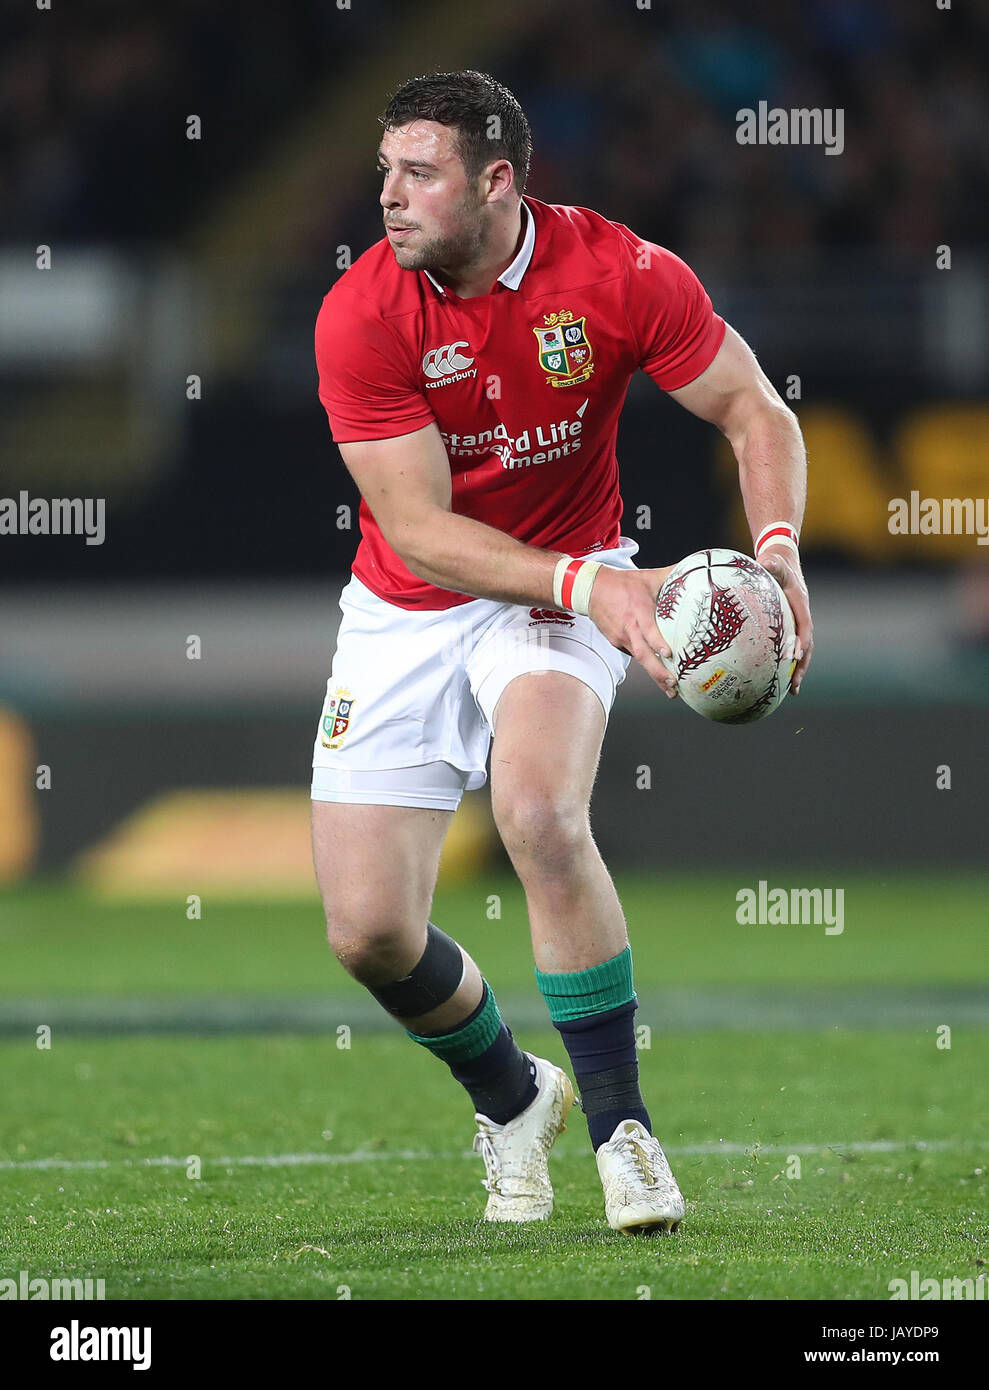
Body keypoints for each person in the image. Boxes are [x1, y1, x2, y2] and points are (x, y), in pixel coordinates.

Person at [310, 69, 813, 1233]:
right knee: (366, 930)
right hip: (415, 599)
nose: (386, 195)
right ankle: (509, 1092)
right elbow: (424, 532)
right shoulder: (363, 313)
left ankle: (622, 1133)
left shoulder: (620, 274)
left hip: (559, 589)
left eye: (416, 172)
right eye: (383, 169)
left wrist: (777, 551)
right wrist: (598, 582)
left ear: (495, 181)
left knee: (539, 816)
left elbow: (756, 413)